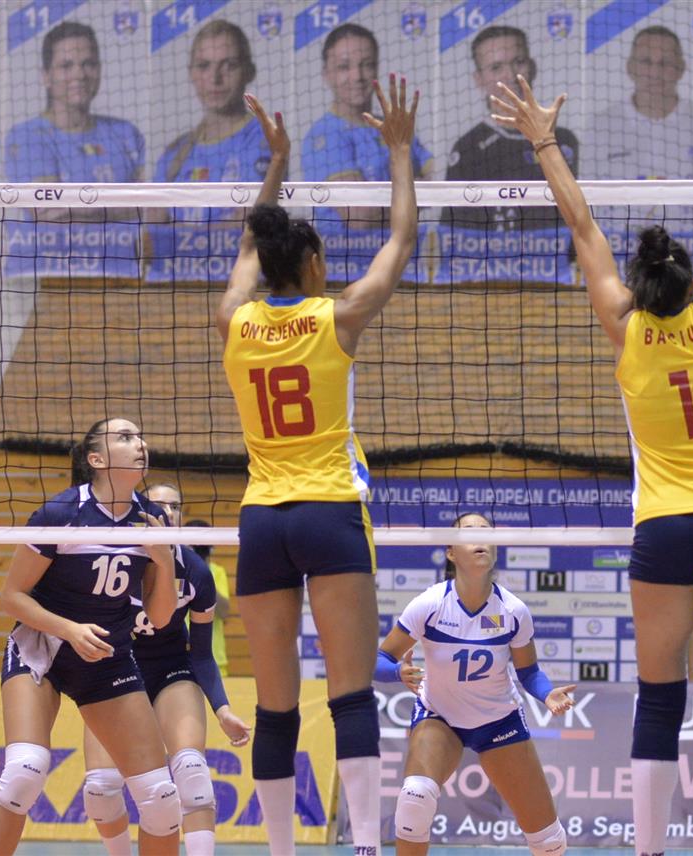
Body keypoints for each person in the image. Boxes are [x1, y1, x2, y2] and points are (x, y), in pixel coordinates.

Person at [492, 36, 693, 856]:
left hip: (662, 523)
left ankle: (648, 849)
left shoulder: (623, 328)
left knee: (659, 697)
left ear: (642, 288)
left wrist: (544, 140)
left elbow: (581, 223)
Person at [214, 77, 419, 856]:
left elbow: (245, 248)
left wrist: (277, 162)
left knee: (275, 706)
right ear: (312, 262)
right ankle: (364, 844)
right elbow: (400, 242)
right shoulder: (337, 317)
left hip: (263, 519)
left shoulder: (235, 321)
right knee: (350, 694)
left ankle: (279, 850)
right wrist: (399, 152)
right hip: (329, 511)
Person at [0, 419, 182, 855]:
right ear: (97, 459)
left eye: (140, 436)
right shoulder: (60, 514)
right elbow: (12, 597)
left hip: (108, 659)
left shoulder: (153, 519)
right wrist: (68, 629)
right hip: (42, 648)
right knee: (24, 772)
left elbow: (161, 616)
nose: (141, 444)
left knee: (162, 799)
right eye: (125, 437)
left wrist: (164, 560)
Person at [375, 513, 575, 856]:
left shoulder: (513, 610)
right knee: (415, 797)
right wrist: (397, 673)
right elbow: (379, 660)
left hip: (498, 722)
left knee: (549, 842)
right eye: (469, 531)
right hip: (439, 717)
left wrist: (546, 693)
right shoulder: (430, 604)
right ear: (451, 552)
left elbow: (529, 673)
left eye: (486, 531)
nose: (480, 537)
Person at [82, 483, 250, 856]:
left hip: (172, 670)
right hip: (115, 672)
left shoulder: (197, 572)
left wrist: (222, 710)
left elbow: (202, 655)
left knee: (192, 774)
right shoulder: (114, 560)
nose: (167, 512)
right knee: (100, 789)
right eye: (159, 505)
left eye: (175, 506)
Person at [4, 21, 143, 223]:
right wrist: (126, 204)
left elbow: (153, 205)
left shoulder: (126, 133)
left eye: (88, 64)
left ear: (99, 69)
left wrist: (78, 207)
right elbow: (49, 212)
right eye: (66, 66)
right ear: (46, 76)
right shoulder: (26, 136)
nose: (79, 74)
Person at [302, 23, 434, 231]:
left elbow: (440, 184)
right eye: (344, 67)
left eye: (367, 64)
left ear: (376, 69)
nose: (357, 76)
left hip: (402, 248)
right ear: (326, 74)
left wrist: (387, 199)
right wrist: (411, 189)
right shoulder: (324, 135)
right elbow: (360, 216)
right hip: (348, 250)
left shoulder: (392, 126)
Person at [445, 25, 578, 231]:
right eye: (496, 67)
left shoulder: (563, 140)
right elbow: (452, 232)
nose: (511, 75)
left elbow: (580, 222)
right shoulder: (467, 149)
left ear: (532, 67)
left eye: (519, 62)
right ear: (479, 79)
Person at [588, 26, 693, 180]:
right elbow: (583, 192)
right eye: (646, 62)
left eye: (665, 62)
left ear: (681, 68)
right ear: (630, 67)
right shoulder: (600, 127)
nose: (655, 73)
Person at [154, 20, 267, 185]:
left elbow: (256, 203)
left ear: (249, 72)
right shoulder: (173, 156)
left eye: (229, 65)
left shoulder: (264, 140)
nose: (215, 78)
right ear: (191, 73)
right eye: (203, 66)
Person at [183, 519, 230, 675]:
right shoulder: (175, 572)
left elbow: (224, 612)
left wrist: (203, 573)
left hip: (214, 660)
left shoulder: (217, 572)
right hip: (179, 659)